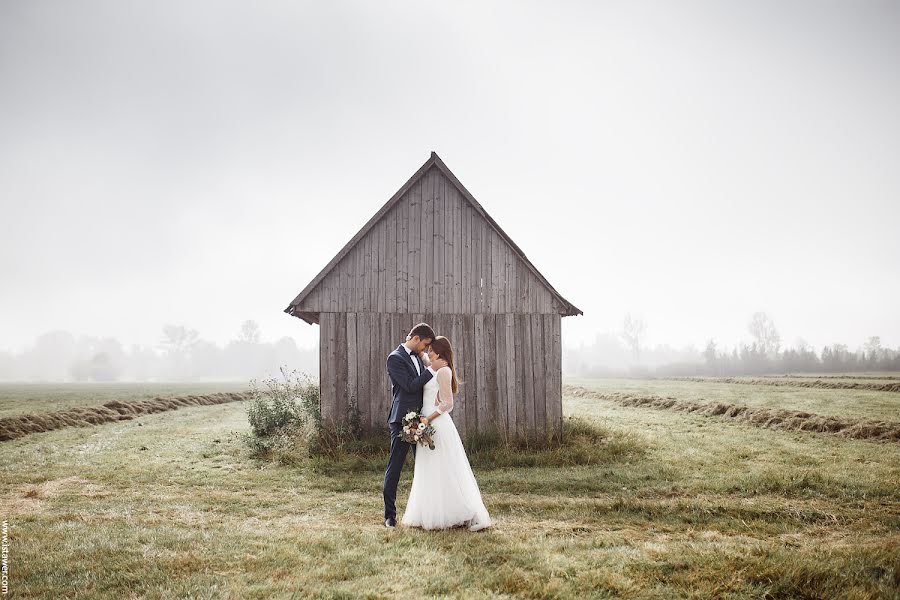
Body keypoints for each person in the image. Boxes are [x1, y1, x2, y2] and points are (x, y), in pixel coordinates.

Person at [401, 335, 492, 532]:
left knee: (443, 468)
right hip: (425, 420)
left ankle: (456, 511)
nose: (428, 351)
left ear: (440, 351)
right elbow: (424, 358)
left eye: (431, 349)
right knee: (429, 468)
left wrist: (427, 419)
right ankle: (429, 511)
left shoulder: (444, 370)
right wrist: (411, 342)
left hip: (436, 423)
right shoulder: (433, 366)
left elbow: (448, 403)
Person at [383, 323, 447, 528]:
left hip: (422, 420)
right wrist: (431, 369)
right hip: (403, 420)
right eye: (425, 345)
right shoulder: (395, 358)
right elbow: (410, 386)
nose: (425, 350)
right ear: (416, 339)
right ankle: (389, 516)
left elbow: (425, 386)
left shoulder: (421, 358)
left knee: (427, 466)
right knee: (396, 466)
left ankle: (429, 513)